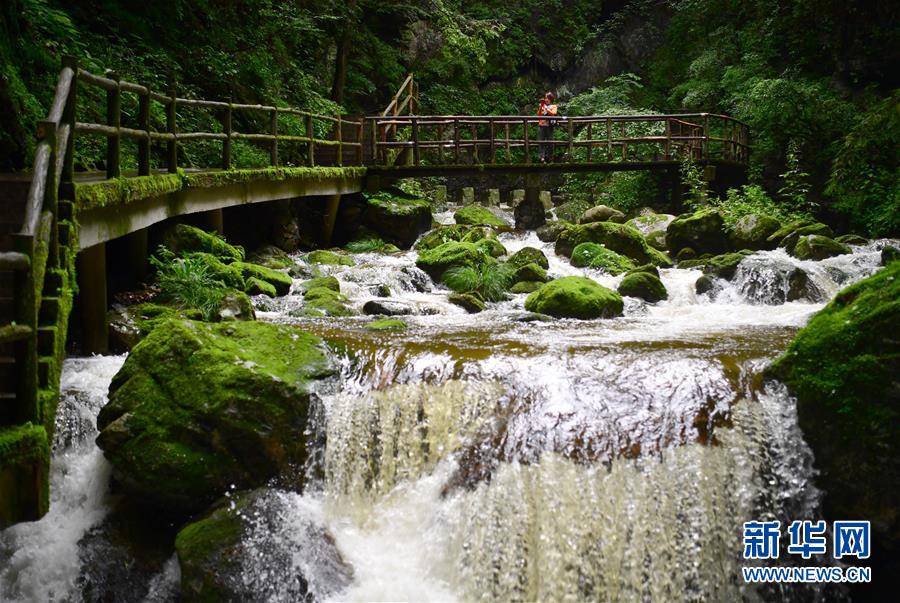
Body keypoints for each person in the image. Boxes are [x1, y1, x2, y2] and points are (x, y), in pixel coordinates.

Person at [537, 92, 558, 163]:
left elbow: (553, 113)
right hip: (542, 125)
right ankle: (541, 157)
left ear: (551, 99)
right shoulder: (542, 105)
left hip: (549, 126)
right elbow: (539, 115)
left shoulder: (554, 106)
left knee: (550, 142)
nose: (546, 99)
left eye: (548, 98)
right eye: (545, 98)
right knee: (541, 142)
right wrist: (541, 107)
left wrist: (547, 108)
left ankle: (550, 157)